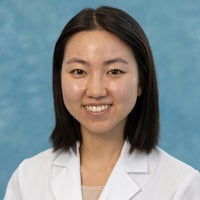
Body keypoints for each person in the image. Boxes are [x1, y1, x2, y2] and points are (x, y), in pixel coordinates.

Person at [4, 6, 200, 200]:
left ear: (141, 82)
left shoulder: (181, 186)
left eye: (114, 71)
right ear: (59, 80)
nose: (96, 91)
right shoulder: (27, 179)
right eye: (79, 72)